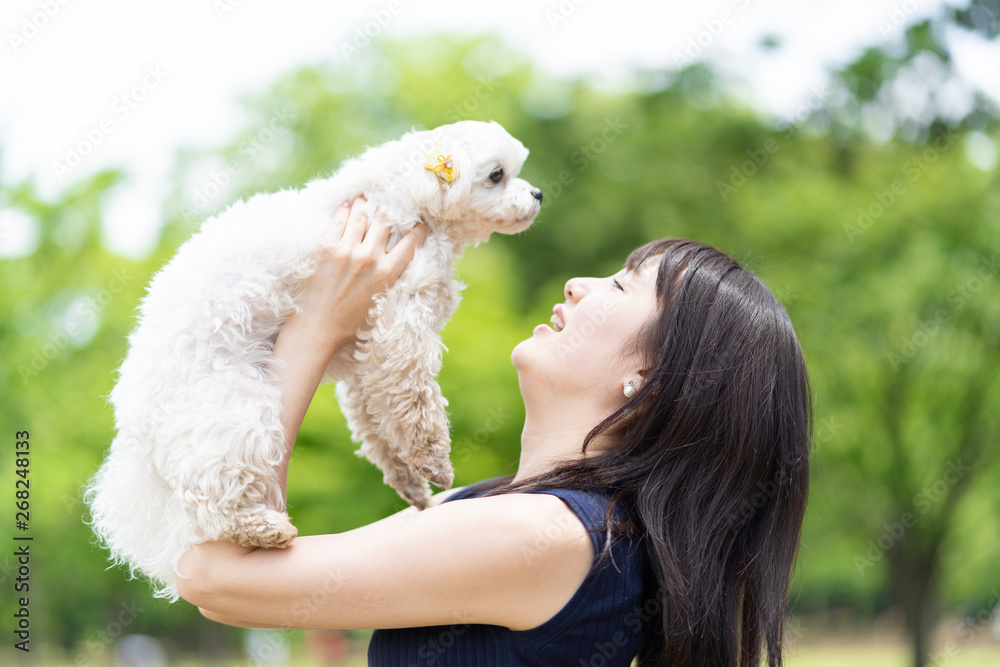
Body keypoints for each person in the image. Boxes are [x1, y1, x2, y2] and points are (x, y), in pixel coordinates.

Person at [178, 195, 812, 667]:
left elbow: (219, 577)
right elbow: (239, 561)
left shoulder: (545, 536)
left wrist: (315, 327)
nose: (579, 285)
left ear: (648, 379)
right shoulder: (499, 506)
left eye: (621, 284)